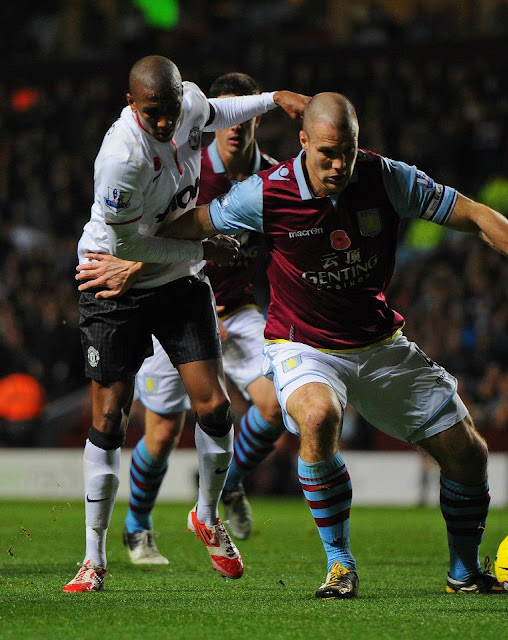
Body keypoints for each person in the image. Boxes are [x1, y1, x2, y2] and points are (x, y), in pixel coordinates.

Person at [92, 92, 508, 599]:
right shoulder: (266, 192)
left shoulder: (387, 177)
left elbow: (477, 214)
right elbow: (195, 223)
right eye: (327, 151)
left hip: (378, 344)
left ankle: (463, 573)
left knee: (468, 455)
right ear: (303, 142)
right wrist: (134, 260)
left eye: (347, 150)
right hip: (302, 346)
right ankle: (339, 564)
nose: (338, 163)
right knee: (318, 415)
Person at [64, 55, 307, 593]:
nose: (165, 122)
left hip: (178, 279)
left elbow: (219, 109)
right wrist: (203, 247)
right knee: (111, 420)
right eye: (153, 113)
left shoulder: (189, 105)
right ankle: (94, 558)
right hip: (113, 280)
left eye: (171, 110)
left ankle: (206, 515)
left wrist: (274, 99)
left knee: (216, 408)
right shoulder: (120, 159)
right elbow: (127, 246)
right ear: (132, 105)